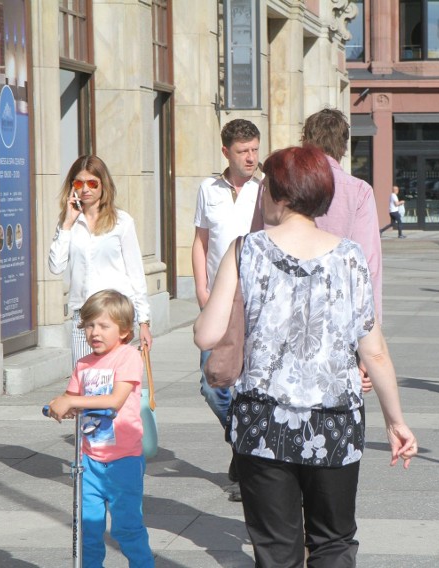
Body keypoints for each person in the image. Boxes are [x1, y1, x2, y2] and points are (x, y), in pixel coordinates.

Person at [193, 145, 417, 567]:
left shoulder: (246, 249)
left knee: (277, 549)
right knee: (333, 541)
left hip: (262, 422)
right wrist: (395, 422)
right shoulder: (349, 256)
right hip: (334, 422)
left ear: (277, 194)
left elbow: (207, 335)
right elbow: (375, 351)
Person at [46, 290, 154, 568]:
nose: (95, 332)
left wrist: (72, 401)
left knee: (126, 528)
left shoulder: (128, 357)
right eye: (90, 325)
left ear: (124, 331)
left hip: (124, 461)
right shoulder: (83, 364)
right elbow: (70, 399)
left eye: (104, 326)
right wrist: (61, 405)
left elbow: (115, 400)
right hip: (89, 461)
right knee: (88, 531)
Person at [191, 118, 263, 501]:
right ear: (226, 153)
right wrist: (203, 291)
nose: (251, 157)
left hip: (254, 301)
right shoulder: (209, 189)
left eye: (254, 149)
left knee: (248, 385)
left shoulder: (266, 188)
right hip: (219, 301)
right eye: (243, 151)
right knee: (212, 384)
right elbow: (200, 241)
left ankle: (246, 459)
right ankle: (242, 443)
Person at [49, 155, 152, 367]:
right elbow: (55, 266)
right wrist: (67, 224)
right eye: (78, 183)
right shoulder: (68, 223)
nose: (85, 189)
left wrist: (143, 321)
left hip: (116, 316)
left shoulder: (121, 222)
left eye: (92, 183)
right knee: (83, 383)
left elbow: (135, 273)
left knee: (113, 383)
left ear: (103, 185)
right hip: (83, 316)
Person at [302, 108, 383, 322]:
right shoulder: (358, 190)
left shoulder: (274, 185)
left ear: (305, 140)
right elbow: (367, 263)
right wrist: (371, 324)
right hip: (339, 311)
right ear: (343, 146)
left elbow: (256, 246)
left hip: (285, 311)